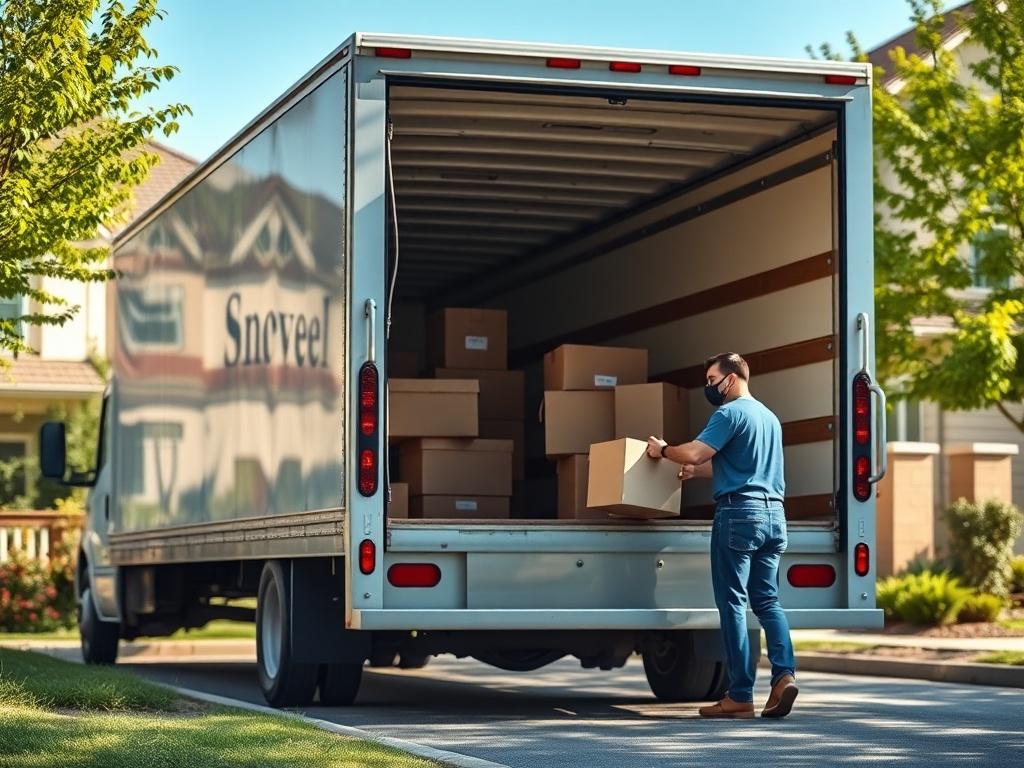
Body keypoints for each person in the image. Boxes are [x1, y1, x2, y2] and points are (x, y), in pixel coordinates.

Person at [646, 352, 797, 719]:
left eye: (712, 378)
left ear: (730, 379)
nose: (708, 386)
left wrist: (663, 451)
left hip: (739, 514)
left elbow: (696, 452)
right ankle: (784, 675)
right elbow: (737, 464)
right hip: (774, 515)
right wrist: (693, 473)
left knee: (732, 603)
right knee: (767, 601)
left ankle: (740, 694)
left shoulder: (729, 413)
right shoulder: (768, 417)